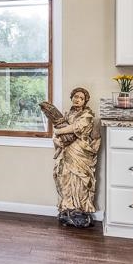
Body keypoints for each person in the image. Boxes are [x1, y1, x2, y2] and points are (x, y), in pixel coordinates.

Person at [47, 87, 102, 228]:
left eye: (81, 98)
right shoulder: (66, 115)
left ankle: (80, 209)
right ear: (72, 97)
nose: (78, 99)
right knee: (64, 177)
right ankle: (68, 207)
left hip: (80, 152)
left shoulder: (87, 115)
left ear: (85, 101)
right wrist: (57, 139)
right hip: (66, 151)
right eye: (75, 96)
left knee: (80, 180)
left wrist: (59, 130)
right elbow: (58, 134)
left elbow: (75, 128)